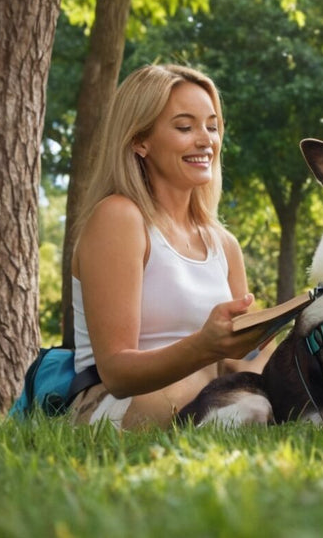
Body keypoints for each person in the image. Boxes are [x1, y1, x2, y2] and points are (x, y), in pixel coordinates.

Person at [69, 63, 272, 430]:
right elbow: (116, 373)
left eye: (212, 126)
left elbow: (247, 357)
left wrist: (260, 353)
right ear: (139, 140)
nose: (205, 140)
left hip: (209, 391)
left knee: (266, 385)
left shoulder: (224, 245)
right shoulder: (118, 218)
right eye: (184, 127)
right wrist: (205, 348)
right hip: (115, 402)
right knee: (229, 396)